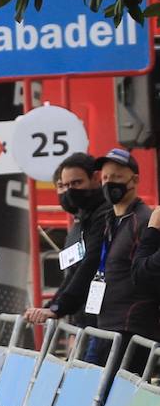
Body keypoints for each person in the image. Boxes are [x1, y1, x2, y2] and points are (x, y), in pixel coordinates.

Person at [79, 147, 157, 367]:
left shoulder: (144, 220)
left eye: (116, 177)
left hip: (131, 329)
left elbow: (149, 273)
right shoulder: (108, 219)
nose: (109, 182)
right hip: (103, 325)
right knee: (91, 392)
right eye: (105, 177)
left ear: (134, 180)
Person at [24, 153, 109, 328]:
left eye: (76, 183)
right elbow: (73, 272)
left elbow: (91, 262)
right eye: (63, 186)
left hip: (108, 315)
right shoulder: (81, 221)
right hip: (85, 317)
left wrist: (58, 308)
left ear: (95, 179)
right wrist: (52, 307)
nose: (69, 191)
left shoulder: (104, 214)